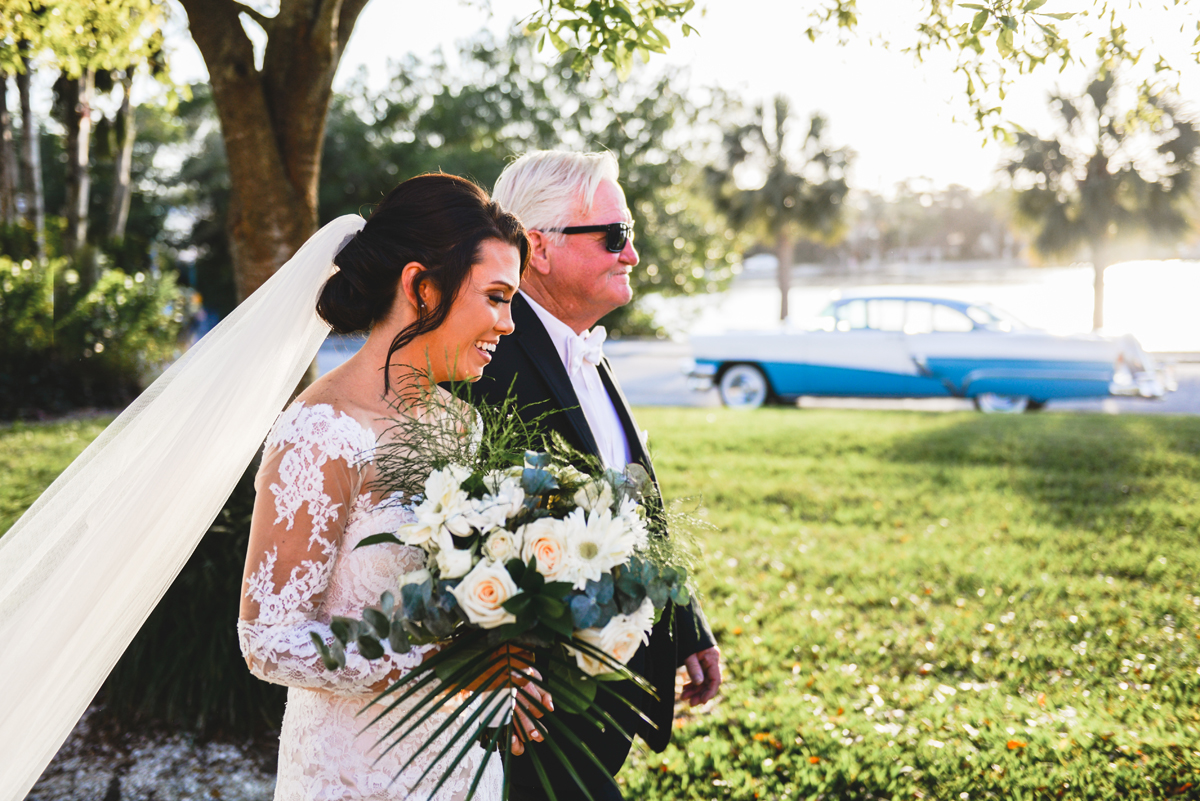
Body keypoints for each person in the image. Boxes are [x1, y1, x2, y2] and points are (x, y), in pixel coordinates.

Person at [237, 173, 558, 800]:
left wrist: (506, 654)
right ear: (422, 285)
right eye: (496, 296)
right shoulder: (324, 433)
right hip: (357, 772)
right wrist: (445, 665)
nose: (510, 324)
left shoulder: (462, 423)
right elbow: (268, 641)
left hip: (461, 764)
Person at [469, 150, 723, 800]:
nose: (631, 254)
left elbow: (635, 502)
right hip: (534, 714)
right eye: (614, 235)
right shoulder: (486, 363)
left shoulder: (586, 347)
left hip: (604, 700)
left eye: (629, 234)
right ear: (538, 247)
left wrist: (684, 621)